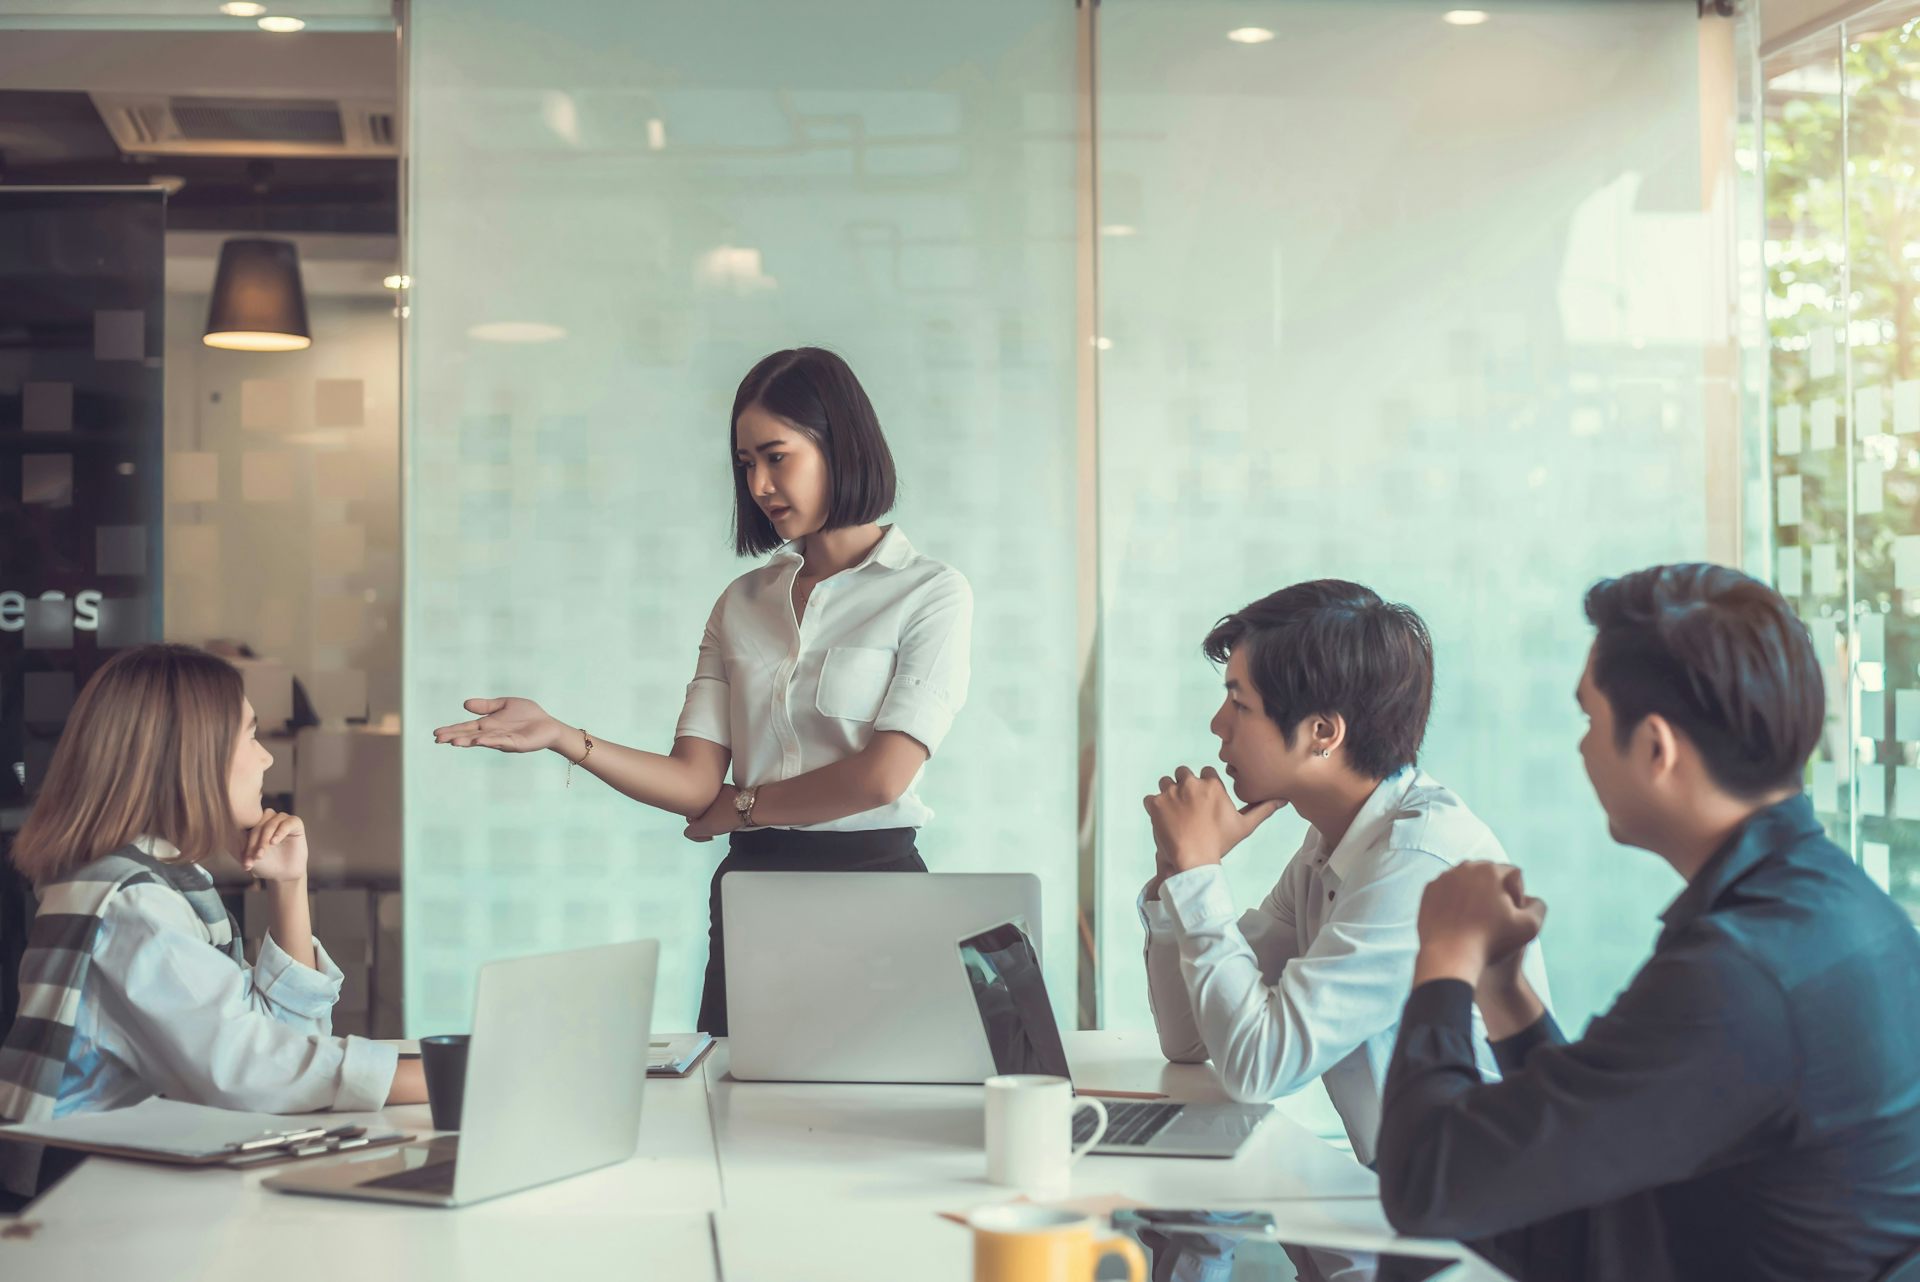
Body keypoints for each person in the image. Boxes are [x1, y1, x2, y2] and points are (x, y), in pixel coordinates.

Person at [1377, 563, 1920, 1282]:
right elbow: (1604, 1122)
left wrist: (1444, 956)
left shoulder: (1740, 974)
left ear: (1656, 749)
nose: (1580, 747)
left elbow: (1425, 1185)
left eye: (1588, 719)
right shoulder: (1839, 905)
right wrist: (1502, 987)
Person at [433, 347, 972, 1034]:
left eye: (777, 457)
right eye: (746, 464)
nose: (759, 485)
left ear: (839, 443)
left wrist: (742, 807)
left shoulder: (931, 592)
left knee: (874, 1112)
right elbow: (694, 785)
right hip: (755, 893)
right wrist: (563, 737)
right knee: (739, 1112)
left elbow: (882, 778)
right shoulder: (743, 601)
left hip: (877, 889)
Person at [1139, 580, 1549, 1165]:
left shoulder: (1415, 863)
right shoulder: (1329, 846)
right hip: (1407, 1203)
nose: (1217, 724)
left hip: (1479, 1232)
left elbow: (1258, 1065)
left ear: (1323, 733)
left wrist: (1200, 872)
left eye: (1240, 703)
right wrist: (1175, 873)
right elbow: (1192, 1040)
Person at [0, 644, 425, 1199]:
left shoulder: (162, 878)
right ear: (189, 756)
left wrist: (289, 886)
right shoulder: (129, 904)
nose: (266, 758)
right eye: (250, 735)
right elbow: (252, 1072)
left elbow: (280, 1043)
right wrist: (438, 1077)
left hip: (130, 1182)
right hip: (86, 1197)